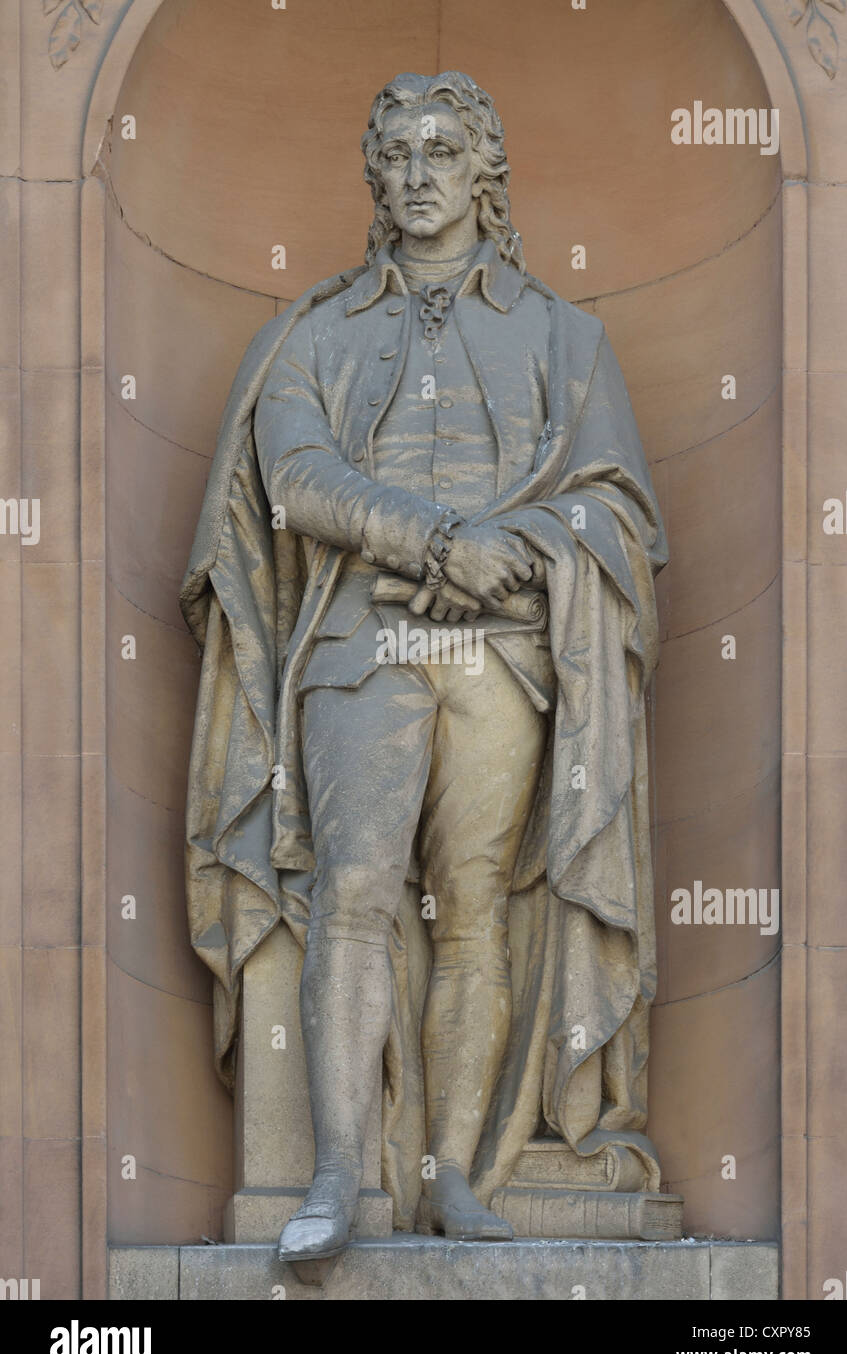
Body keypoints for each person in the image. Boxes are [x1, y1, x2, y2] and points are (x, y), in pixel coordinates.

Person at [181, 71, 668, 1264]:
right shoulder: (310, 331)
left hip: (502, 653)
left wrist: (524, 553)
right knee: (351, 888)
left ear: (484, 170)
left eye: (441, 150)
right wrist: (443, 539)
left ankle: (454, 1175)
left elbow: (624, 516)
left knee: (477, 910)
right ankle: (341, 1176)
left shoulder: (564, 334)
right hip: (363, 641)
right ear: (374, 175)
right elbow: (293, 475)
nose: (415, 173)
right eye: (394, 153)